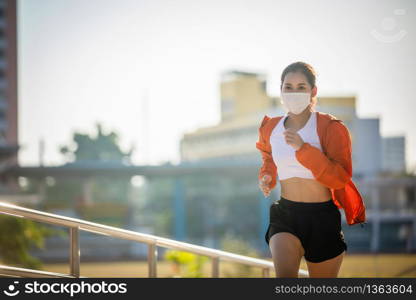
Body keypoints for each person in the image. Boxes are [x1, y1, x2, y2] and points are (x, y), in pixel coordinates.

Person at [256, 61, 366, 278]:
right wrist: (267, 176)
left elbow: (339, 178)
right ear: (281, 90)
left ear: (313, 91)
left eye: (301, 87)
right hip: (285, 214)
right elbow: (269, 157)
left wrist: (303, 149)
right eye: (288, 87)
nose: (294, 92)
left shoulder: (331, 127)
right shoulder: (270, 127)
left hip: (322, 218)